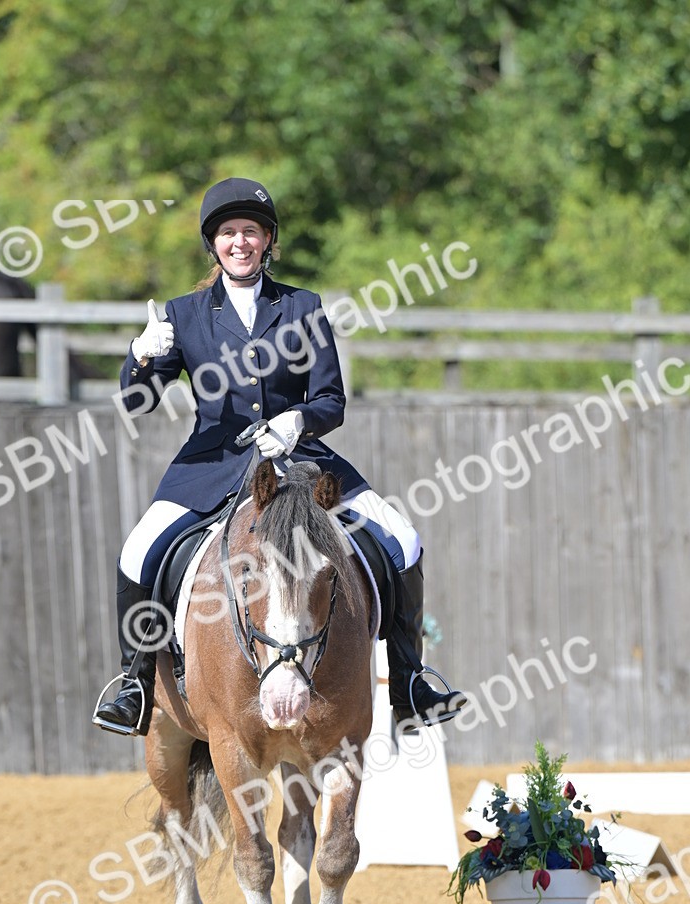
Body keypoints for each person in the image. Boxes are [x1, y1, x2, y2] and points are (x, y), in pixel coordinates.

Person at [94, 177, 465, 736]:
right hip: (213, 464)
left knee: (402, 539)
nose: (238, 242)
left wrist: (298, 422)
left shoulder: (302, 306)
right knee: (137, 551)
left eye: (249, 231)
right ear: (213, 244)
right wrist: (140, 357)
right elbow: (137, 402)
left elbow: (331, 400)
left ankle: (411, 683)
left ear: (267, 240)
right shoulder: (184, 313)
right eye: (227, 233)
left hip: (302, 459)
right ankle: (135, 682)